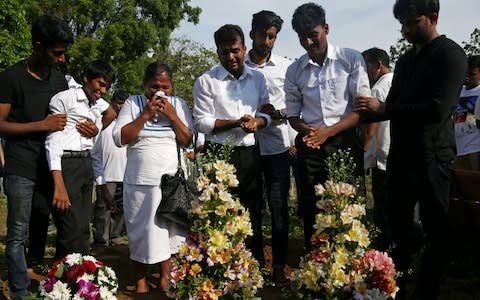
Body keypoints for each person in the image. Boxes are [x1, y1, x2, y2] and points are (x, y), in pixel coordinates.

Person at [355, 0, 467, 298]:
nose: (404, 30)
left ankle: (427, 289)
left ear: (432, 17)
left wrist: (385, 107)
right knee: (397, 226)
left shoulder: (451, 55)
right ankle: (397, 285)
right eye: (401, 24)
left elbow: (437, 110)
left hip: (433, 157)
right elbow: (391, 107)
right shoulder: (405, 61)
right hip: (401, 157)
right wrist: (358, 115)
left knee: (435, 230)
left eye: (411, 23)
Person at [285, 3, 371, 252]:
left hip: (344, 141)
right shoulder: (295, 70)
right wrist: (311, 132)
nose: (309, 43)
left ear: (326, 28)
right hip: (310, 144)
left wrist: (328, 132)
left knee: (349, 203)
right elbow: (293, 116)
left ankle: (353, 261)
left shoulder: (350, 59)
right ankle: (318, 263)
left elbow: (360, 109)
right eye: (303, 38)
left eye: (314, 35)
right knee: (313, 206)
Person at [0, 15, 73, 299]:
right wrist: (40, 125)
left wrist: (87, 127)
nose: (62, 58)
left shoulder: (60, 80)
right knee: (17, 233)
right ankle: (19, 291)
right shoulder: (10, 78)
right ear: (38, 45)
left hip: (51, 167)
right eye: (57, 52)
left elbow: (68, 120)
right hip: (20, 166)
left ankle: (50, 284)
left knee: (44, 223)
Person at [194, 24, 271, 266]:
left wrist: (257, 121)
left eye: (235, 50)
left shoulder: (257, 78)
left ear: (244, 48)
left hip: (249, 154)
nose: (231, 57)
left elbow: (266, 112)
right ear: (217, 52)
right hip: (220, 155)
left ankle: (252, 268)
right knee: (220, 212)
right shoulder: (207, 81)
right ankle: (222, 269)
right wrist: (236, 123)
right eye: (225, 52)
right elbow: (202, 123)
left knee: (251, 211)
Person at [113, 61, 193, 293]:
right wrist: (146, 114)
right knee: (141, 231)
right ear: (145, 85)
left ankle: (164, 279)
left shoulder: (178, 105)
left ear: (172, 88)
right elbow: (120, 138)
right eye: (154, 86)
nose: (160, 92)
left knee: (168, 231)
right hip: (140, 182)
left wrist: (173, 116)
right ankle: (140, 281)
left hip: (169, 183)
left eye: (165, 87)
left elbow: (188, 140)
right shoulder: (133, 103)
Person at [45, 59, 116, 260]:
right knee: (69, 226)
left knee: (84, 227)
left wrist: (98, 129)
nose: (103, 90)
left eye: (107, 87)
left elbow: (110, 113)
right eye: (101, 84)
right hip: (67, 165)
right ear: (86, 78)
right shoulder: (65, 99)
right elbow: (53, 143)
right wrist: (59, 184)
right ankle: (62, 279)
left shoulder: (97, 103)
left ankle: (82, 277)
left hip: (86, 165)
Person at [244, 10, 292, 285]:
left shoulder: (285, 67)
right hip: (248, 148)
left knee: (279, 208)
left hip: (276, 148)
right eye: (263, 35)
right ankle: (255, 266)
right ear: (252, 34)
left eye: (272, 36)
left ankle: (279, 267)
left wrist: (273, 115)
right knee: (251, 208)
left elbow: (295, 107)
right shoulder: (240, 66)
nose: (267, 41)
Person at [361, 47, 393, 250]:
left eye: (367, 67)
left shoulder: (378, 89)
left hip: (382, 156)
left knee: (382, 207)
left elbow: (371, 129)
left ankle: (383, 246)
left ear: (378, 65)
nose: (364, 73)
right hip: (396, 153)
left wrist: (362, 153)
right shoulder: (400, 81)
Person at [91, 89, 129, 247]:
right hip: (106, 174)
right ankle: (100, 239)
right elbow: (95, 152)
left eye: (124, 105)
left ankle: (114, 236)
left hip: (126, 175)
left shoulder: (129, 125)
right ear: (112, 104)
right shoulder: (103, 124)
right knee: (103, 209)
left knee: (121, 209)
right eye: (118, 104)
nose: (120, 108)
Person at [455, 55, 480, 171]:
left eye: (472, 74)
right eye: (465, 74)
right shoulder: (458, 91)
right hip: (459, 149)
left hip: (476, 148)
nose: (467, 78)